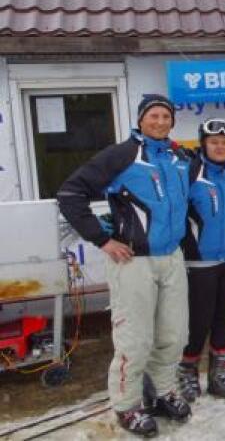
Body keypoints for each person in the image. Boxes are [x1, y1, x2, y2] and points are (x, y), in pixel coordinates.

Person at [57, 94, 191, 437]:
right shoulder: (122, 154)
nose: (160, 122)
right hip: (133, 261)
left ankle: (162, 392)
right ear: (141, 119)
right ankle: (127, 405)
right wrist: (102, 240)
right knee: (135, 341)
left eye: (166, 116)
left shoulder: (178, 157)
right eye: (153, 116)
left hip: (171, 258)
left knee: (174, 335)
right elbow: (70, 194)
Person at [178, 119, 225, 402]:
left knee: (223, 317)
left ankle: (219, 373)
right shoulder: (189, 173)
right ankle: (187, 371)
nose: (220, 147)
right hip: (200, 263)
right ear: (203, 144)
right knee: (198, 320)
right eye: (214, 142)